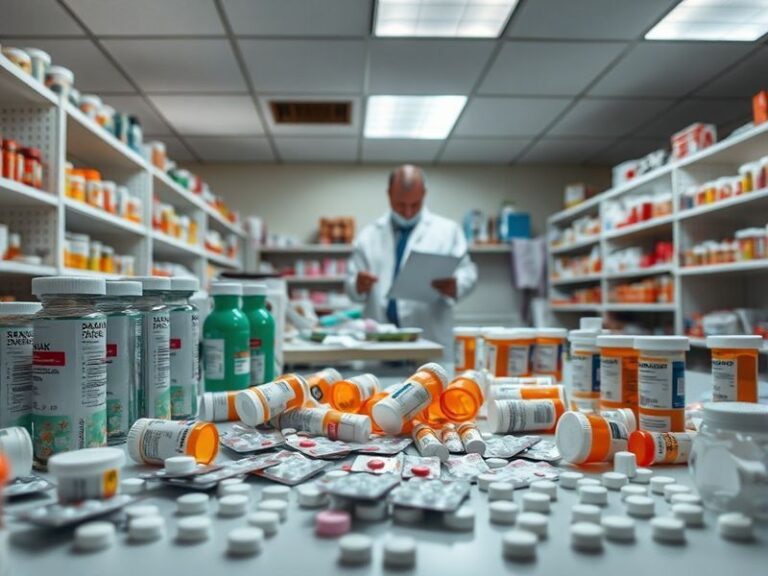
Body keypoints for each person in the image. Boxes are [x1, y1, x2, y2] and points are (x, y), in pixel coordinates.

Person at [345, 164, 478, 351]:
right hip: (379, 342)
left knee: (430, 379)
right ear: (389, 194)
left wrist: (456, 285)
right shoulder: (368, 235)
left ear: (424, 194)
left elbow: (468, 272)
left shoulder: (448, 231)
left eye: (415, 205)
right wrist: (357, 285)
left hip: (430, 336)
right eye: (401, 205)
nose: (408, 212)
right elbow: (351, 285)